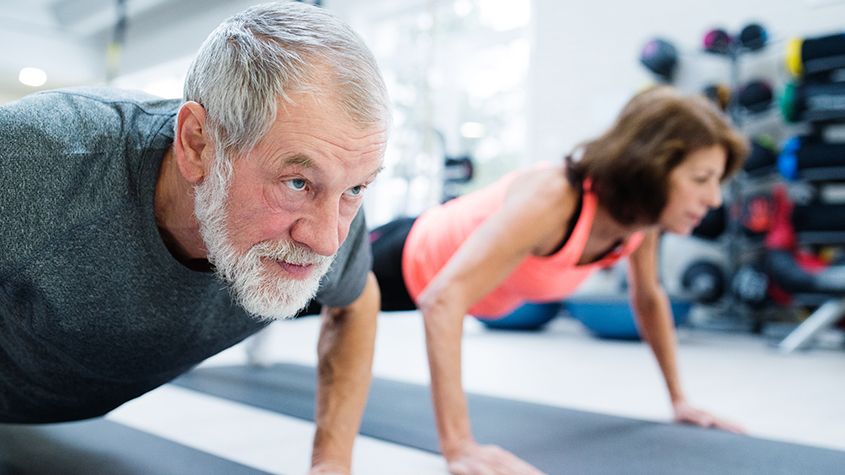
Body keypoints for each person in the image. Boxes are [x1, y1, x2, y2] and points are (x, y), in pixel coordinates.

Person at [0, 3, 389, 474]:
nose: (328, 240)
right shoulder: (40, 156)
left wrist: (333, 462)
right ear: (198, 145)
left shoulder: (329, 210)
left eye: (355, 189)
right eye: (296, 183)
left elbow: (357, 301)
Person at [370, 86, 749, 474]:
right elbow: (443, 299)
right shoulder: (555, 199)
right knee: (306, 303)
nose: (715, 199)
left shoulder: (640, 220)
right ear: (652, 167)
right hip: (402, 256)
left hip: (439, 285)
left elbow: (648, 297)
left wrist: (679, 400)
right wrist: (459, 446)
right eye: (702, 178)